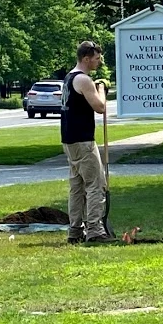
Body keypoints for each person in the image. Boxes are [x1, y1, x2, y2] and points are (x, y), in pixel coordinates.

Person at [60, 41, 111, 244]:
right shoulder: (83, 80)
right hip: (83, 141)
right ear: (86, 58)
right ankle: (95, 231)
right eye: (97, 58)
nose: (99, 62)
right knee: (95, 185)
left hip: (69, 140)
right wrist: (101, 88)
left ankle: (75, 231)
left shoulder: (68, 78)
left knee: (77, 186)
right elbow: (100, 107)